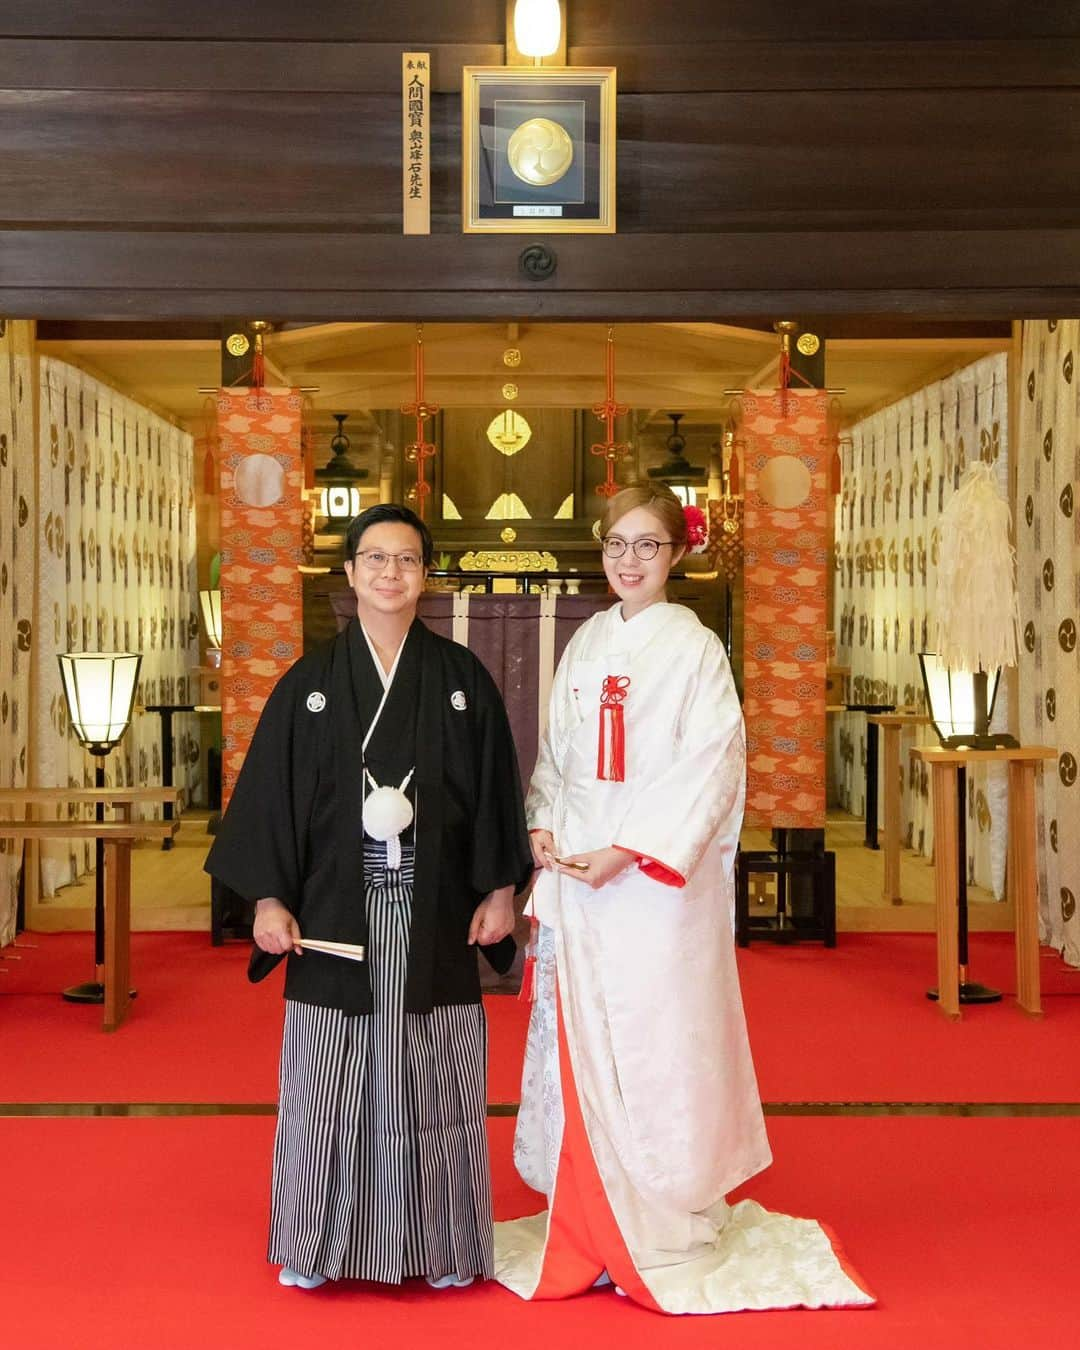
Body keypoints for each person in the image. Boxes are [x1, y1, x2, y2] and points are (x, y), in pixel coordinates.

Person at [493, 484, 873, 1315]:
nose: (629, 561)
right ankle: (589, 1222)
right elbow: (557, 758)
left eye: (648, 545)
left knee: (655, 1041)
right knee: (582, 1045)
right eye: (616, 545)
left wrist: (626, 852)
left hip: (650, 886)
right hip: (580, 882)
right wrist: (547, 830)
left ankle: (659, 1220)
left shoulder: (697, 650)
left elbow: (710, 767)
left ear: (677, 555)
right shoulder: (587, 643)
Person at [206, 503, 533, 1293]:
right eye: (375, 559)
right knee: (329, 1081)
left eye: (408, 560)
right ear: (349, 575)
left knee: (438, 1082)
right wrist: (267, 902)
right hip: (334, 913)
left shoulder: (460, 680)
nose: (392, 574)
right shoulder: (310, 685)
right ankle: (318, 1246)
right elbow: (270, 800)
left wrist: (499, 889)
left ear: (427, 575)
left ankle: (446, 1247)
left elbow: (494, 791)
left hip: (437, 912)